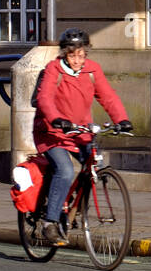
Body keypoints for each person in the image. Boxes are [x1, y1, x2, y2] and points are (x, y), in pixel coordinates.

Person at [32, 28, 130, 243]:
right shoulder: (53, 70)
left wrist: (121, 120)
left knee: (92, 166)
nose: (77, 60)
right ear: (64, 54)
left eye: (81, 55)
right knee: (65, 170)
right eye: (72, 55)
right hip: (51, 133)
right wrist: (56, 119)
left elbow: (108, 97)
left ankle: (72, 211)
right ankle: (50, 223)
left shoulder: (93, 70)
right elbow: (45, 99)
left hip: (81, 132)